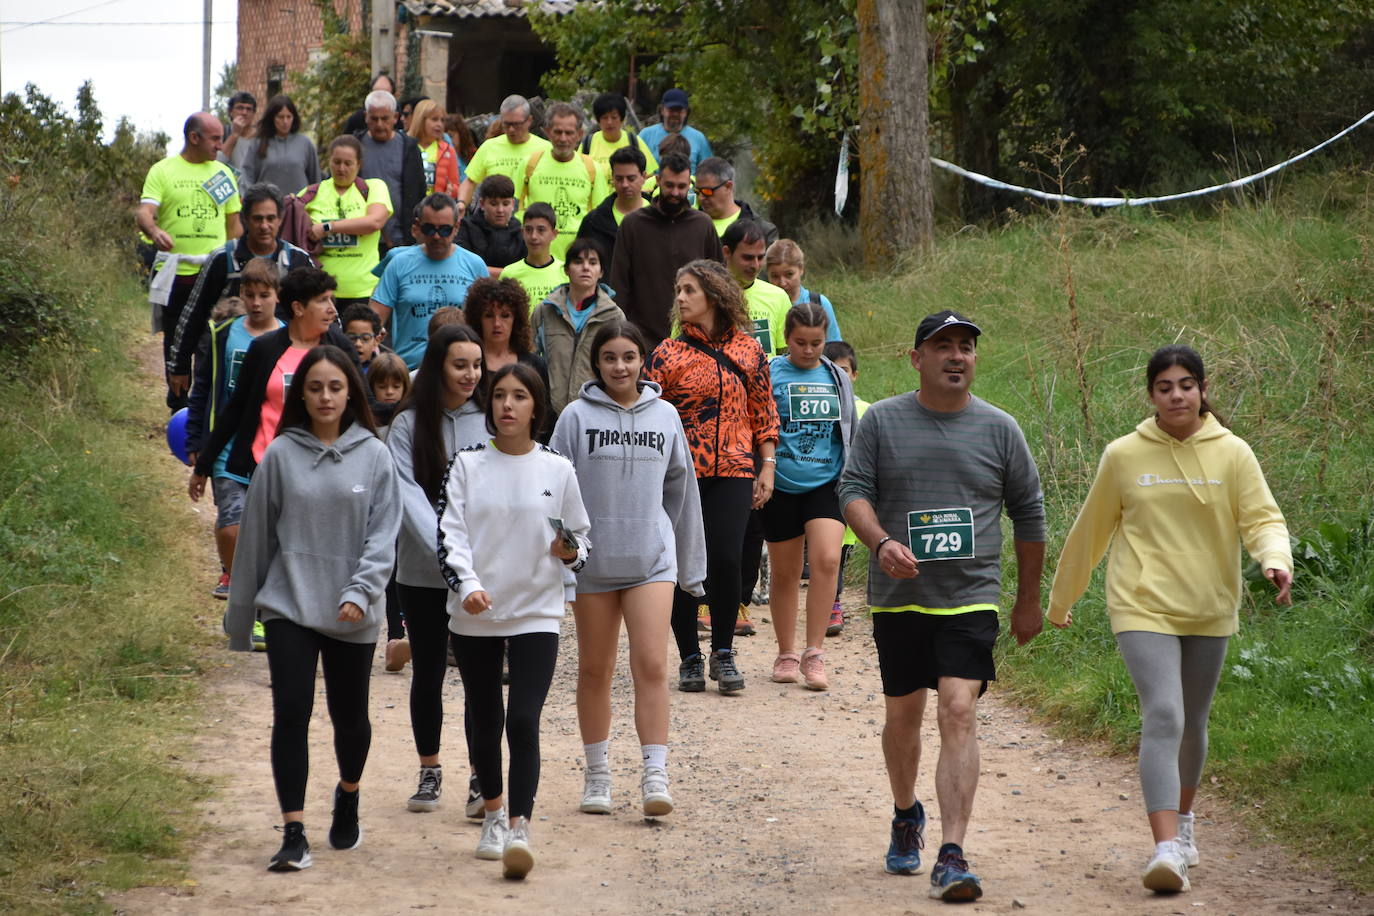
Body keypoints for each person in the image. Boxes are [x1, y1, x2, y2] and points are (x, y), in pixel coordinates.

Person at [1047, 344, 1293, 895]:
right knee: (1164, 713)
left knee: (1194, 721)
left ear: (1202, 390)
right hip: (1141, 603)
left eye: (1186, 384)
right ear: (1151, 395)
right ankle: (1164, 849)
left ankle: (1183, 823)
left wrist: (1275, 560)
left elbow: (1263, 518)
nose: (1177, 394)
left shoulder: (1233, 454)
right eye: (1165, 387)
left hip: (1209, 605)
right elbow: (1090, 533)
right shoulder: (1124, 455)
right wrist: (1061, 601)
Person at [837, 309, 1046, 903]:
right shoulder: (881, 421)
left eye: (967, 347)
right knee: (903, 718)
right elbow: (852, 491)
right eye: (943, 346)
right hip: (901, 598)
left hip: (969, 596)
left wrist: (1026, 602)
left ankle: (953, 853)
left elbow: (1029, 513)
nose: (957, 356)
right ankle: (907, 812)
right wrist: (879, 544)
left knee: (958, 710)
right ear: (917, 358)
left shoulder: (1001, 429)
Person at [225, 344, 400, 872]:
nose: (326, 396)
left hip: (352, 611)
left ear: (351, 393)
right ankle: (294, 831)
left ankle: (348, 793)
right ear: (301, 393)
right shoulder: (279, 455)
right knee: (291, 713)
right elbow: (255, 540)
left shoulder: (375, 455)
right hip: (289, 606)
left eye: (336, 387)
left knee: (350, 721)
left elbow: (383, 537)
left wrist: (360, 592)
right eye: (316, 387)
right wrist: (240, 619)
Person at [437, 363, 591, 879]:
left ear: (535, 407)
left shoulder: (558, 469)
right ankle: (494, 814)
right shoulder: (465, 464)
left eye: (519, 396)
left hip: (537, 611)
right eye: (499, 396)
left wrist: (569, 551)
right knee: (486, 717)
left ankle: (520, 826)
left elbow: (581, 540)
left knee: (523, 719)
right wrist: (469, 585)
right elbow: (450, 535)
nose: (507, 405)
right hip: (476, 610)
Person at [551, 320, 705, 817]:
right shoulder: (574, 418)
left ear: (643, 361)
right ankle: (597, 776)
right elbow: (551, 487)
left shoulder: (665, 416)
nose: (620, 366)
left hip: (650, 561)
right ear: (597, 363)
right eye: (611, 357)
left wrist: (683, 557)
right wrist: (564, 551)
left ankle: (654, 774)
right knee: (594, 669)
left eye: (629, 357)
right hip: (592, 563)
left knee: (653, 665)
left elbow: (681, 491)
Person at [645, 260, 779, 695]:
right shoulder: (667, 352)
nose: (680, 298)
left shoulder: (749, 351)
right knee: (684, 562)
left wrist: (768, 465)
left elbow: (764, 411)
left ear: (715, 295)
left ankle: (723, 652)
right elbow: (646, 414)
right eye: (678, 290)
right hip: (680, 473)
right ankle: (688, 657)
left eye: (689, 290)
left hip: (735, 468)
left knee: (725, 558)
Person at [386, 324, 489, 819]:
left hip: (478, 575)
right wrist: (446, 549)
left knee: (476, 676)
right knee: (427, 671)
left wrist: (470, 559)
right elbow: (404, 492)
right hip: (422, 572)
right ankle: (429, 770)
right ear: (437, 367)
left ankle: (479, 774)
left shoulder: (491, 418)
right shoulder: (407, 423)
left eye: (476, 364)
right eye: (459, 365)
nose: (470, 374)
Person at [189, 267, 361, 495]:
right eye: (322, 301)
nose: (332, 309)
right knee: (237, 531)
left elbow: (364, 403)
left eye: (331, 300)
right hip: (266, 462)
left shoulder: (340, 347)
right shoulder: (265, 348)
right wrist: (203, 465)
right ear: (298, 308)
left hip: (322, 465)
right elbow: (236, 408)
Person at [763, 303, 856, 691]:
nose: (809, 350)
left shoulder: (837, 377)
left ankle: (814, 653)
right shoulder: (770, 374)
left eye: (817, 343)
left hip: (826, 483)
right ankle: (786, 652)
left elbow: (847, 430)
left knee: (827, 560)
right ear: (787, 339)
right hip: (781, 483)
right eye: (800, 342)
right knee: (784, 573)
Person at [184, 259, 285, 605]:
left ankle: (256, 598)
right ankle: (234, 572)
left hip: (275, 448)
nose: (256, 303)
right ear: (240, 294)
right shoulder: (224, 335)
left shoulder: (290, 338)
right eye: (249, 294)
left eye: (264, 295)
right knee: (231, 523)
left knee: (270, 531)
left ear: (278, 296)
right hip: (229, 445)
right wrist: (198, 444)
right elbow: (204, 390)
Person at [166, 182, 315, 397]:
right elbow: (194, 313)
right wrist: (179, 366)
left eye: (271, 218)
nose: (264, 226)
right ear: (245, 219)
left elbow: (321, 311)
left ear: (280, 220)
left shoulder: (297, 260)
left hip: (280, 363)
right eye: (258, 219)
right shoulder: (222, 258)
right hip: (222, 363)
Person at [138, 112, 243, 410]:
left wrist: (234, 265)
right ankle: (178, 404)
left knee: (213, 341)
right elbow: (144, 212)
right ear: (194, 138)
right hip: (177, 276)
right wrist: (155, 231)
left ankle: (208, 406)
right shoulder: (163, 170)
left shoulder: (223, 175)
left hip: (213, 276)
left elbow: (234, 225)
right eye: (214, 139)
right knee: (176, 339)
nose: (220, 146)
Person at [608, 152, 723, 348]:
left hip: (695, 341)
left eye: (682, 186)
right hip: (643, 341)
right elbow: (619, 287)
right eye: (669, 185)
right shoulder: (633, 225)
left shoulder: (703, 225)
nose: (676, 193)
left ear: (690, 185)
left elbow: (720, 286)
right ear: (658, 180)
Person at [369, 192, 488, 370]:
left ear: (456, 228)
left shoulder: (474, 265)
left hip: (461, 370)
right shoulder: (399, 263)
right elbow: (373, 319)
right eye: (429, 229)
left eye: (445, 230)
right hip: (409, 370)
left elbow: (487, 322)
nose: (437, 236)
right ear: (418, 226)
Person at [531, 238, 624, 413]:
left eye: (593, 262)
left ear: (601, 271)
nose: (586, 267)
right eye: (578, 262)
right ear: (567, 269)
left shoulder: (614, 316)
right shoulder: (545, 310)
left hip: (596, 410)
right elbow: (528, 358)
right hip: (548, 412)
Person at [302, 136, 393, 309]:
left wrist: (329, 227)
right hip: (321, 291)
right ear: (329, 161)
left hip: (364, 291)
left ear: (359, 164)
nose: (341, 168)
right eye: (336, 162)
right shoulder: (311, 193)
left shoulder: (373, 187)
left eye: (348, 163)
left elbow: (374, 222)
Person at [822, 339, 869, 635]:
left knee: (840, 553)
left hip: (852, 494)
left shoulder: (868, 410)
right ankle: (827, 603)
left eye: (844, 371)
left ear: (854, 374)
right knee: (824, 553)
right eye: (832, 372)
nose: (839, 377)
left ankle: (832, 602)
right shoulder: (820, 406)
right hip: (821, 490)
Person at [463, 279, 552, 435]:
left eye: (505, 315)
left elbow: (544, 418)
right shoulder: (466, 362)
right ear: (478, 319)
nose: (497, 323)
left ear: (516, 320)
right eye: (489, 315)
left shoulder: (534, 364)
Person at [522, 101, 607, 261]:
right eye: (558, 132)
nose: (563, 138)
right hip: (535, 259)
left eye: (569, 133)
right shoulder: (530, 164)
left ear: (580, 134)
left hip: (577, 260)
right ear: (547, 132)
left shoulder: (592, 168)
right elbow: (516, 210)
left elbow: (599, 218)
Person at [456, 95, 552, 215]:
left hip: (530, 223)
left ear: (529, 121)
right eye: (506, 124)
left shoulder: (546, 149)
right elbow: (470, 181)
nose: (511, 130)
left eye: (516, 124)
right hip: (495, 222)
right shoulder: (489, 147)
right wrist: (461, 203)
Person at [354, 90, 425, 252]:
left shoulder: (410, 148)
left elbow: (419, 192)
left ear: (395, 117)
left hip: (402, 237)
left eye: (385, 118)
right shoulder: (355, 146)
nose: (379, 124)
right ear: (366, 117)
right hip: (362, 236)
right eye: (374, 118)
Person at [722, 220, 792, 356]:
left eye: (760, 257)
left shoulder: (778, 297)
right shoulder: (703, 296)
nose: (755, 265)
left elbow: (785, 358)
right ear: (727, 252)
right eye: (747, 258)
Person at [576, 145, 650, 270]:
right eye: (619, 178)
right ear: (612, 178)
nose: (625, 184)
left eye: (631, 178)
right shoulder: (593, 222)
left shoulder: (660, 218)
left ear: (644, 177)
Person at [240, 95, 320, 195]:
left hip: (300, 207)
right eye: (280, 117)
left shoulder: (305, 144)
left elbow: (315, 180)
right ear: (272, 118)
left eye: (289, 117)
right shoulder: (257, 143)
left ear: (294, 118)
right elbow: (247, 176)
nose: (285, 121)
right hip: (267, 207)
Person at [765, 239, 842, 341]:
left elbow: (834, 346)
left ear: (801, 269)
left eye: (789, 274)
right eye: (775, 276)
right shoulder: (763, 305)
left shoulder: (819, 303)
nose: (782, 283)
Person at [455, 174, 526, 278]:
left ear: (512, 204)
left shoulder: (521, 232)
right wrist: (511, 274)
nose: (500, 210)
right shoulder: (466, 228)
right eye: (494, 204)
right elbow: (464, 266)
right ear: (482, 204)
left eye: (505, 204)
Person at [694, 157, 777, 244]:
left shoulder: (764, 231)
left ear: (728, 187)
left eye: (707, 191)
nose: (701, 197)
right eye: (697, 191)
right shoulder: (689, 226)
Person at [499, 202, 567, 306]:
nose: (534, 236)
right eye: (528, 230)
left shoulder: (565, 272)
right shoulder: (509, 274)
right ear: (522, 232)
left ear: (554, 234)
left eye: (541, 230)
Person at [582, 92, 658, 179]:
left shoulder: (634, 141)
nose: (609, 122)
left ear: (622, 119)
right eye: (605, 118)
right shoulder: (588, 143)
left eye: (614, 117)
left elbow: (649, 176)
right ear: (598, 120)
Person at [639, 88, 713, 174]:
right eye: (671, 110)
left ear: (686, 112)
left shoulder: (699, 138)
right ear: (662, 110)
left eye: (679, 110)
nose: (675, 114)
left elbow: (708, 171)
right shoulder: (646, 135)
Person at [408, 99, 461, 196]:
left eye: (442, 120)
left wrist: (451, 190)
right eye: (434, 119)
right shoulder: (406, 146)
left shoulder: (448, 151)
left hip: (437, 207)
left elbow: (456, 185)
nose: (439, 124)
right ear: (420, 120)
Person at [219, 90, 258, 173]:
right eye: (240, 108)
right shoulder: (223, 133)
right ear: (231, 112)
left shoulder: (261, 136)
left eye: (249, 109)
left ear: (254, 113)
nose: (244, 112)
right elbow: (218, 162)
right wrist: (235, 135)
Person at [340, 302, 386, 371]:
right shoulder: (336, 369)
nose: (358, 344)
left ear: (376, 341)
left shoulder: (382, 371)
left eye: (365, 338)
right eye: (352, 338)